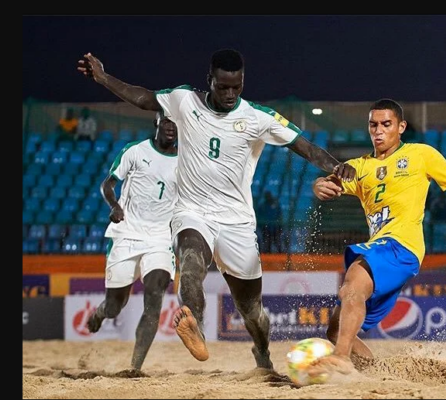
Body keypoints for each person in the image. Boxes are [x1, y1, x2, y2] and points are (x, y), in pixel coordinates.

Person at [77, 49, 355, 367]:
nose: (229, 93)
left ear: (242, 82)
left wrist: (336, 166)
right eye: (222, 87)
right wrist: (103, 77)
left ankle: (263, 356)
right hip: (193, 211)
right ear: (209, 81)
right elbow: (143, 98)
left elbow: (304, 146)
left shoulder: (257, 117)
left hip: (236, 222)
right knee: (191, 261)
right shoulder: (184, 100)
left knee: (251, 309)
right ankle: (195, 326)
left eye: (236, 87)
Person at [307, 99, 446, 376]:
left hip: (402, 245)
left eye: (386, 124)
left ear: (401, 127)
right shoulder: (358, 167)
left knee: (351, 285)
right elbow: (327, 182)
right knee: (335, 329)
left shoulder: (420, 155)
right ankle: (376, 373)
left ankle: (341, 359)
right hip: (384, 251)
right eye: (373, 125)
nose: (378, 131)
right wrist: (318, 185)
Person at [86, 113, 179, 372]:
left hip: (160, 239)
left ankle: (134, 367)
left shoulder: (186, 161)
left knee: (155, 294)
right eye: (167, 121)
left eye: (176, 122)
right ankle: (101, 313)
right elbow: (108, 185)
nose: (171, 127)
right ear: (157, 123)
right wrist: (114, 205)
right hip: (126, 234)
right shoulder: (135, 151)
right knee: (116, 306)